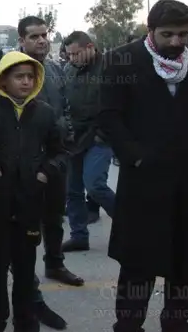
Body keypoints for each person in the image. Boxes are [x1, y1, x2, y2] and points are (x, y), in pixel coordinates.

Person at [99, 0, 188, 332]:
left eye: (183, 35)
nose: (176, 42)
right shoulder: (122, 60)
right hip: (143, 183)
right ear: (150, 30)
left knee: (186, 264)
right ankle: (129, 325)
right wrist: (136, 156)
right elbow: (109, 116)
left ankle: (177, 324)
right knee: (138, 265)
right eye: (167, 34)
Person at [0, 51, 66, 332]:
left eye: (30, 76)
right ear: (3, 80)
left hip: (30, 203)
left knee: (25, 270)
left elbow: (60, 151)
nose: (26, 82)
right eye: (19, 77)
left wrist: (45, 173)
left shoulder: (44, 113)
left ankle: (26, 321)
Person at [16, 16, 78, 329]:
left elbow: (65, 107)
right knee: (24, 231)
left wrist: (67, 134)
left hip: (56, 158)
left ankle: (55, 263)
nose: (42, 40)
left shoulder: (54, 69)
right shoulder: (13, 71)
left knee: (54, 217)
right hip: (26, 165)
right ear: (21, 40)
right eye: (34, 36)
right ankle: (31, 297)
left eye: (44, 35)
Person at [61, 31, 115, 253]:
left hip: (99, 137)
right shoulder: (68, 70)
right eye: (69, 55)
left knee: (94, 185)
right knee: (72, 191)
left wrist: (102, 134)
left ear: (90, 47)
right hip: (74, 138)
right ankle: (79, 236)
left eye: (76, 54)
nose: (72, 58)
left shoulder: (110, 69)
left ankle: (130, 223)